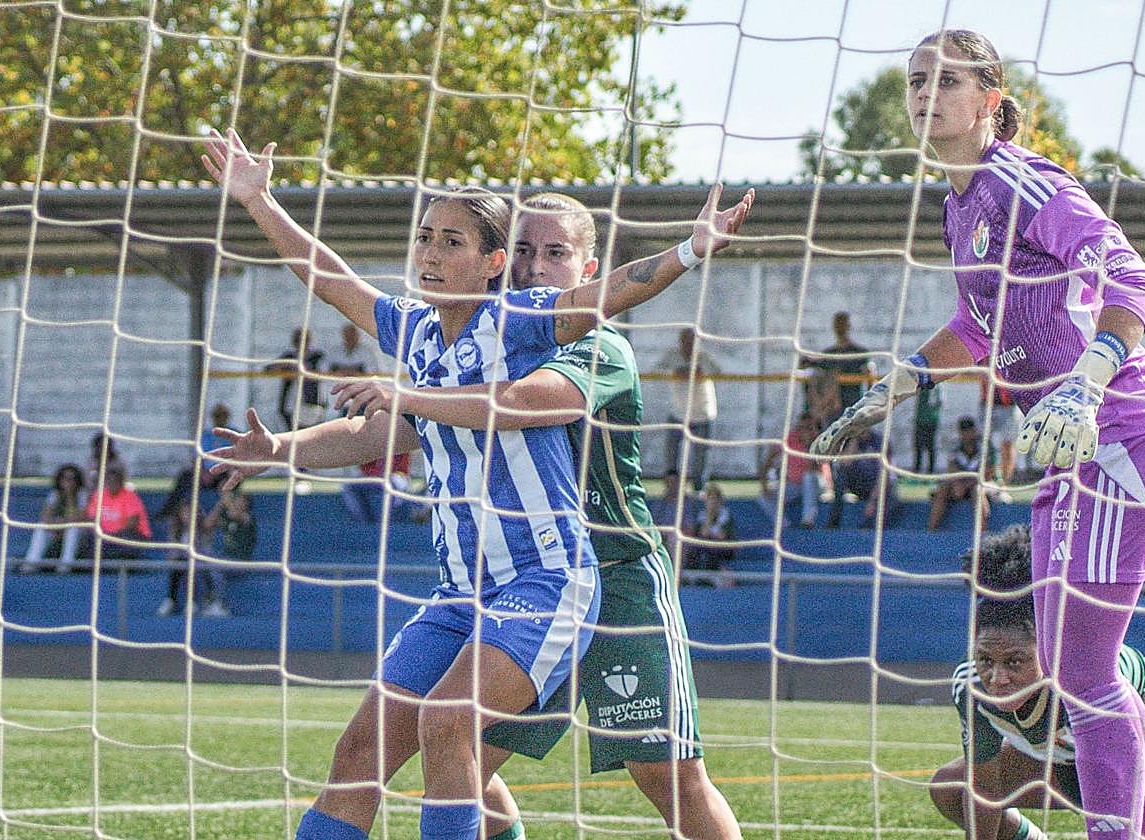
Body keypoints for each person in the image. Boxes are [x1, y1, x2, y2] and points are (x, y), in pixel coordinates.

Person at [200, 127, 752, 840]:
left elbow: (525, 399)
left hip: (570, 578)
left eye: (450, 241)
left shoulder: (537, 327)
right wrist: (258, 201)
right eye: (425, 237)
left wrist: (689, 248)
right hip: (468, 590)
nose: (429, 252)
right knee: (370, 751)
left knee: (620, 766)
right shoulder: (420, 334)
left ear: (492, 265)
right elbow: (335, 286)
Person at [813, 30, 1145, 840]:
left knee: (1087, 673)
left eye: (948, 80)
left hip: (1121, 435)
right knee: (1078, 667)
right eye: (917, 80)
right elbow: (977, 324)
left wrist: (1088, 381)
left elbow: (1131, 278)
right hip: (1066, 451)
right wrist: (903, 381)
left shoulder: (1019, 178)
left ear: (990, 99)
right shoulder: (961, 205)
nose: (927, 93)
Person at [329, 191, 744, 839]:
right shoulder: (477, 340)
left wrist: (689, 250)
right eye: (522, 251)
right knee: (463, 751)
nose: (534, 266)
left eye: (555, 253)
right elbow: (404, 430)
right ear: (499, 259)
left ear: (588, 269)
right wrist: (282, 448)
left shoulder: (592, 347)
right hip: (522, 582)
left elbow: (524, 402)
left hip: (616, 579)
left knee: (664, 772)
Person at [931, 526, 1145, 840]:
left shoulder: (1091, 673)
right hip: (1071, 765)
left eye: (1015, 661)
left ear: (1047, 648)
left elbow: (1132, 759)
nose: (997, 678)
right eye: (985, 660)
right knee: (950, 786)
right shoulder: (970, 686)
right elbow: (984, 787)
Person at [659, 327, 720, 491]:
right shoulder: (673, 356)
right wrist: (678, 372)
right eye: (684, 340)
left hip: (702, 414)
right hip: (678, 414)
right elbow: (658, 370)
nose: (688, 344)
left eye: (691, 341)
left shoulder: (704, 357)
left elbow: (718, 372)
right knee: (671, 455)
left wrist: (697, 372)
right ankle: (671, 489)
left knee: (701, 457)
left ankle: (699, 489)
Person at [155, 490, 229, 617]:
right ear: (180, 514)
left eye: (192, 513)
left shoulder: (204, 528)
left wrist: (221, 503)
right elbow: (172, 553)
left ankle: (212, 602)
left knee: (203, 568)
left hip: (203, 561)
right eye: (186, 513)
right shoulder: (176, 531)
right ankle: (173, 600)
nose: (189, 516)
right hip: (184, 563)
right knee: (179, 565)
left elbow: (211, 523)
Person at [759, 412, 830, 529]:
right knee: (763, 497)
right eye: (801, 428)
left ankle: (808, 520)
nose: (804, 431)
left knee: (808, 477)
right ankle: (784, 525)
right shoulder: (791, 439)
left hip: (818, 484)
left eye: (808, 428)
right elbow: (768, 460)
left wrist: (808, 444)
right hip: (795, 485)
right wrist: (764, 484)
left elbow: (815, 468)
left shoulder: (820, 441)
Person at [927, 416, 996, 532]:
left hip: (986, 484)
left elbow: (989, 473)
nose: (967, 434)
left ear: (974, 431)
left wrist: (967, 485)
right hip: (961, 485)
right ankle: (931, 531)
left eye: (969, 431)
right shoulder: (956, 448)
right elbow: (952, 470)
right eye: (963, 431)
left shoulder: (986, 447)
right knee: (943, 489)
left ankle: (982, 533)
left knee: (977, 491)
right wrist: (957, 483)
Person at [18, 463, 88, 573]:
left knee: (72, 529)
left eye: (72, 479)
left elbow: (81, 517)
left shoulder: (82, 495)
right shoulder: (55, 494)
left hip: (79, 531)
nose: (68, 482)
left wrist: (69, 496)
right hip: (58, 528)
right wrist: (56, 525)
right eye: (65, 478)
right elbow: (45, 517)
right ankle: (30, 564)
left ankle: (65, 566)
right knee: (41, 527)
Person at [827, 428, 894, 529]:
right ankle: (834, 520)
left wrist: (872, 500)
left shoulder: (880, 442)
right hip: (858, 482)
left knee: (888, 495)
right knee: (841, 476)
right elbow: (845, 463)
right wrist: (854, 441)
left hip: (875, 484)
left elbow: (883, 476)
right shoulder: (851, 441)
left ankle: (870, 526)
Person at [84, 463, 151, 559]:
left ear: (121, 481)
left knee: (125, 539)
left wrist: (112, 536)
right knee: (90, 540)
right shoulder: (98, 495)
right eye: (109, 480)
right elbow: (91, 518)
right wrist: (100, 533)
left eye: (115, 480)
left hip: (127, 535)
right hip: (103, 536)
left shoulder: (130, 496)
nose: (112, 483)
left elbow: (132, 523)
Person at [810, 312, 875, 410]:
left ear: (848, 326)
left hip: (854, 404)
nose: (840, 327)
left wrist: (868, 404)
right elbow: (817, 379)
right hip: (831, 408)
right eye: (837, 324)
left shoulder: (859, 353)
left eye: (842, 324)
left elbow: (870, 376)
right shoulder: (828, 354)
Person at [269, 327, 325, 431]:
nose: (300, 343)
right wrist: (284, 366)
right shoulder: (288, 356)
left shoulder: (317, 356)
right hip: (290, 403)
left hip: (311, 403)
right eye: (297, 340)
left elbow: (324, 372)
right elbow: (269, 369)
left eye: (303, 339)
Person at [684, 482, 736, 584]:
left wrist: (711, 531)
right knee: (694, 554)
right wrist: (709, 516)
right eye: (709, 499)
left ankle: (708, 580)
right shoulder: (702, 516)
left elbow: (722, 536)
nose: (712, 503)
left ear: (720, 501)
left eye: (715, 499)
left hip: (723, 549)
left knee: (712, 552)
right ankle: (691, 581)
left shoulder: (726, 516)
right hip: (705, 548)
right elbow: (703, 534)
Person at [913, 385, 942, 475]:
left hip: (929, 420)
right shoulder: (935, 386)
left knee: (930, 447)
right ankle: (919, 472)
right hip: (923, 419)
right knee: (920, 447)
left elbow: (938, 402)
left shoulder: (935, 386)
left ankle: (929, 472)